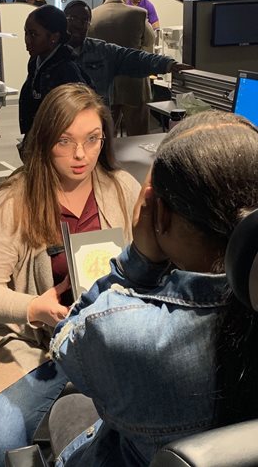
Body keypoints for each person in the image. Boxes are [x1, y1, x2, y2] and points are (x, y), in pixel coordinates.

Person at [51, 111, 258, 466]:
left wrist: (139, 260)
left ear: (157, 214)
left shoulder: (126, 333)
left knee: (67, 408)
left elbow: (66, 340)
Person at [0, 83, 141, 466]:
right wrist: (33, 307)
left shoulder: (122, 188)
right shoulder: (13, 201)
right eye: (66, 141)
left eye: (93, 139)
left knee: (139, 438)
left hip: (109, 340)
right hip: (34, 344)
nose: (81, 154)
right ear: (44, 140)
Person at [64, 0, 191, 106]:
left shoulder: (101, 51)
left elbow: (135, 58)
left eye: (84, 20)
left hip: (96, 122)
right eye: (73, 18)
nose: (78, 25)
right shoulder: (51, 52)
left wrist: (168, 64)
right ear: (63, 21)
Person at [88, 0, 156, 136]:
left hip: (103, 85)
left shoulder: (92, 15)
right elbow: (149, 43)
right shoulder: (138, 14)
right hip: (134, 84)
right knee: (138, 136)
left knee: (105, 136)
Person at [19, 4, 91, 136]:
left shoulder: (67, 70)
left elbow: (77, 117)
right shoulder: (35, 61)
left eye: (34, 34)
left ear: (54, 37)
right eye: (26, 33)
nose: (27, 40)